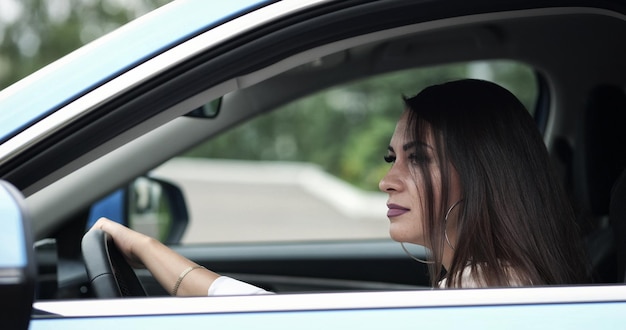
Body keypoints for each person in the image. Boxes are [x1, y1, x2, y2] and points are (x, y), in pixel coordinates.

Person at [91, 79, 587, 295]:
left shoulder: (488, 292)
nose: (386, 180)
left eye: (417, 159)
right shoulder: (497, 281)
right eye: (393, 158)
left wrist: (150, 249)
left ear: (484, 173)